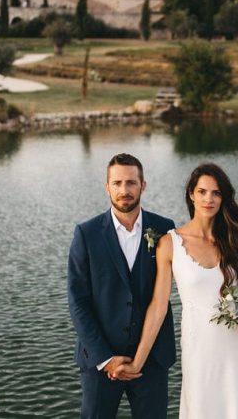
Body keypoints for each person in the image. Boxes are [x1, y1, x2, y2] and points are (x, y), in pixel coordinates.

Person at [116, 162, 238, 418]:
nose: (208, 199)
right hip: (201, 348)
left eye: (216, 193)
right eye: (202, 191)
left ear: (223, 198)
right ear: (191, 194)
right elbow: (158, 307)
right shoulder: (170, 243)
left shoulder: (234, 241)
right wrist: (137, 361)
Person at [67, 153, 176, 418]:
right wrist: (106, 358)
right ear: (107, 187)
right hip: (100, 359)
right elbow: (78, 301)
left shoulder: (164, 229)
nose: (124, 190)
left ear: (143, 185)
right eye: (116, 183)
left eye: (131, 182)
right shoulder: (87, 233)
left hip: (152, 359)